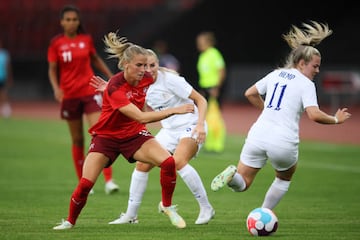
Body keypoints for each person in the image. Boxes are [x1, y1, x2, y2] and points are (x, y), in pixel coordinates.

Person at [52, 32, 195, 230]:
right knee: (85, 184)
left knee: (168, 162)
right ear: (126, 65)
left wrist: (173, 77)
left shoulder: (146, 77)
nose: (144, 70)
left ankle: (167, 206)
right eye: (139, 65)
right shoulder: (115, 87)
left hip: (133, 135)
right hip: (107, 138)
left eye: (146, 65)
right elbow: (141, 117)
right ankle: (69, 221)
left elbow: (159, 73)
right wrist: (175, 110)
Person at [210, 21, 351, 212]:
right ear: (302, 63)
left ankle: (231, 177)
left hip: (258, 134)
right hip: (283, 139)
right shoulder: (306, 84)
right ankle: (264, 213)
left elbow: (250, 93)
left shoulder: (276, 74)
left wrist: (267, 109)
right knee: (283, 178)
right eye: (315, 66)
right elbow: (314, 115)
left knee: (242, 182)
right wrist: (336, 119)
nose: (317, 71)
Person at [91, 49, 215, 225]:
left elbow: (201, 100)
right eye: (144, 65)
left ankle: (206, 208)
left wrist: (201, 125)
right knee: (142, 165)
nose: (148, 69)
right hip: (169, 130)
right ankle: (131, 215)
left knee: (178, 162)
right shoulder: (140, 83)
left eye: (152, 65)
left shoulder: (171, 80)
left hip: (190, 124)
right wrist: (109, 89)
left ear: (158, 64)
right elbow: (129, 101)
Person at [47, 5, 119, 194]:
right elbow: (52, 68)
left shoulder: (85, 40)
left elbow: (95, 59)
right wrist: (56, 88)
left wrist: (110, 76)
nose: (71, 23)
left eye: (75, 19)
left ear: (79, 22)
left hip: (89, 92)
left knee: (100, 133)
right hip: (69, 95)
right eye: (68, 19)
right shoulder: (56, 43)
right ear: (62, 22)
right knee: (78, 139)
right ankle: (84, 181)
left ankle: (109, 180)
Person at [196, 31, 227, 153]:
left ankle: (217, 145)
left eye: (201, 42)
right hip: (205, 88)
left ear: (208, 42)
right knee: (206, 116)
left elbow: (221, 71)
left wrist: (216, 87)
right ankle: (209, 144)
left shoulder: (214, 54)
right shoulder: (203, 55)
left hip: (213, 88)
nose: (199, 44)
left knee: (215, 117)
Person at [0, 38, 13, 118]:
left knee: (3, 93)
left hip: (2, 77)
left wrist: (9, 77)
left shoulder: (4, 54)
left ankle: (6, 109)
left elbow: (8, 67)